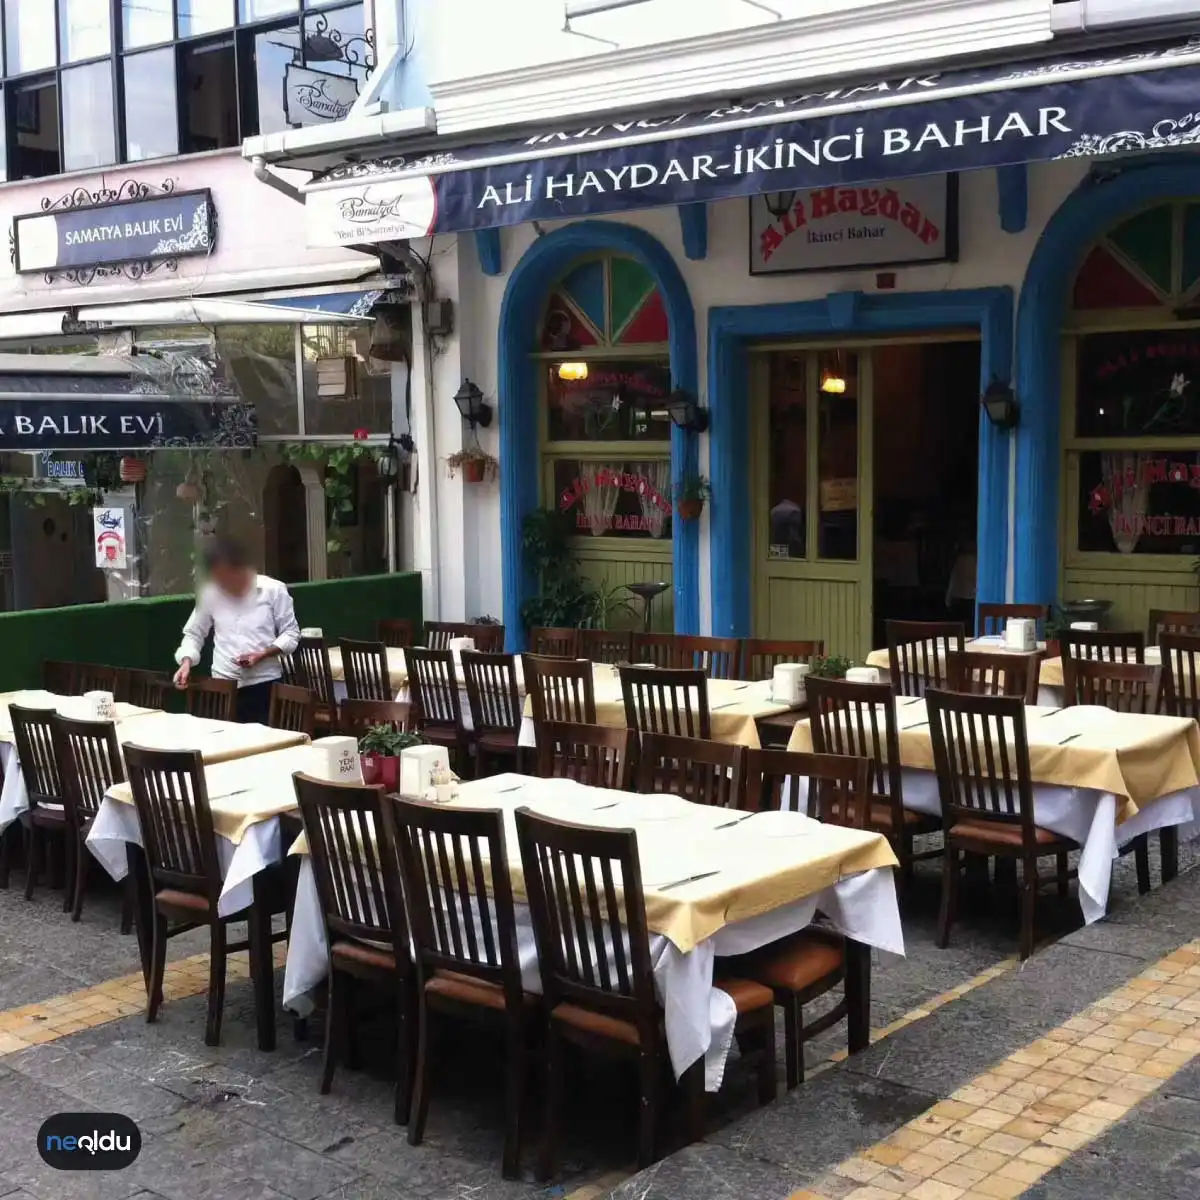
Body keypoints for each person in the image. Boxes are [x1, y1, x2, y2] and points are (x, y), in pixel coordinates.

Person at [173, 538, 301, 725]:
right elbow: (194, 633)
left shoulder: (273, 590)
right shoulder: (211, 593)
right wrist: (186, 662)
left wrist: (263, 654)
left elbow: (291, 633)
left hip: (264, 684)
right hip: (223, 684)